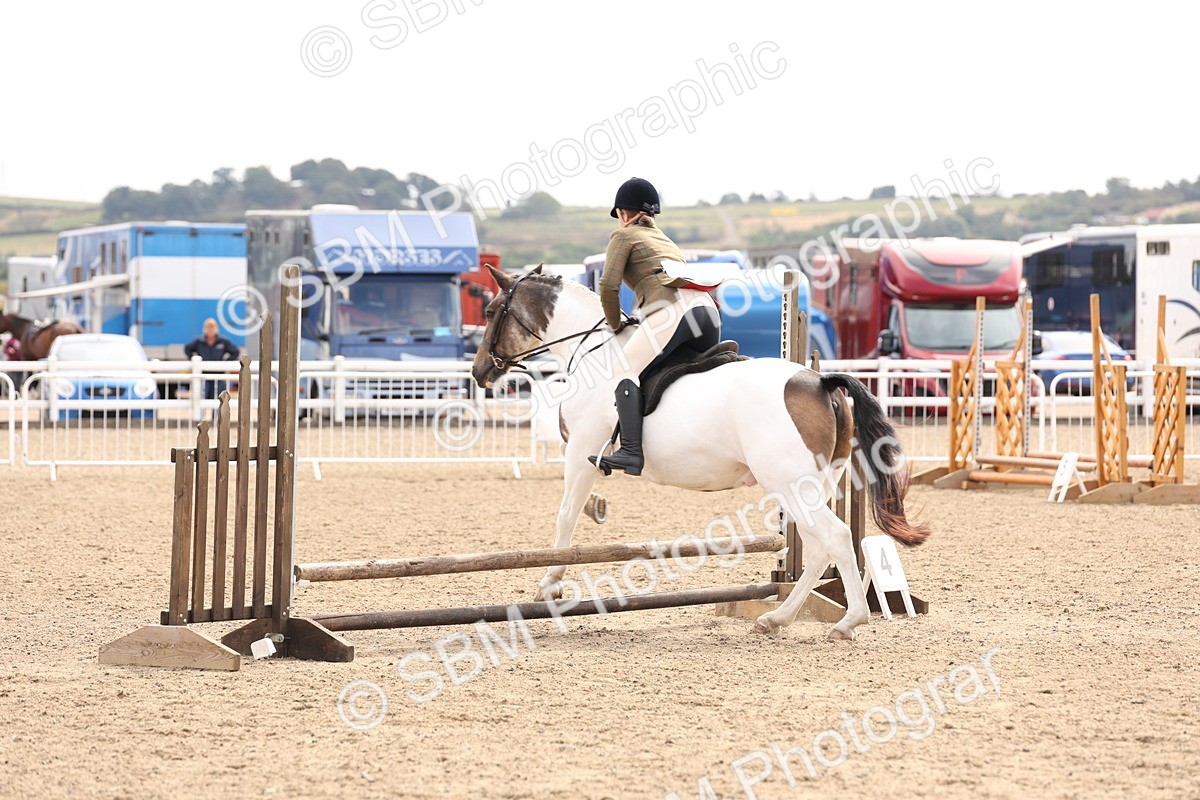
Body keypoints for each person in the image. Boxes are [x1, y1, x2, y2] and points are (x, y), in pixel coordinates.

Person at [588, 177, 721, 477]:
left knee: (624, 369)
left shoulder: (622, 236)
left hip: (675, 313)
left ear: (624, 212)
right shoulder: (665, 240)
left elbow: (608, 286)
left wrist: (615, 323)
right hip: (707, 312)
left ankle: (631, 451)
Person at [184, 318, 240, 400]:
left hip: (219, 375)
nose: (210, 330)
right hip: (203, 374)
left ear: (216, 329)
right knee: (202, 398)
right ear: (205, 329)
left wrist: (226, 362)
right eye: (208, 328)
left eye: (212, 328)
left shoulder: (222, 341)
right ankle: (201, 413)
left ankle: (215, 413)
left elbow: (235, 351)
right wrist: (194, 359)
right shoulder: (199, 341)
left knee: (217, 399)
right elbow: (187, 348)